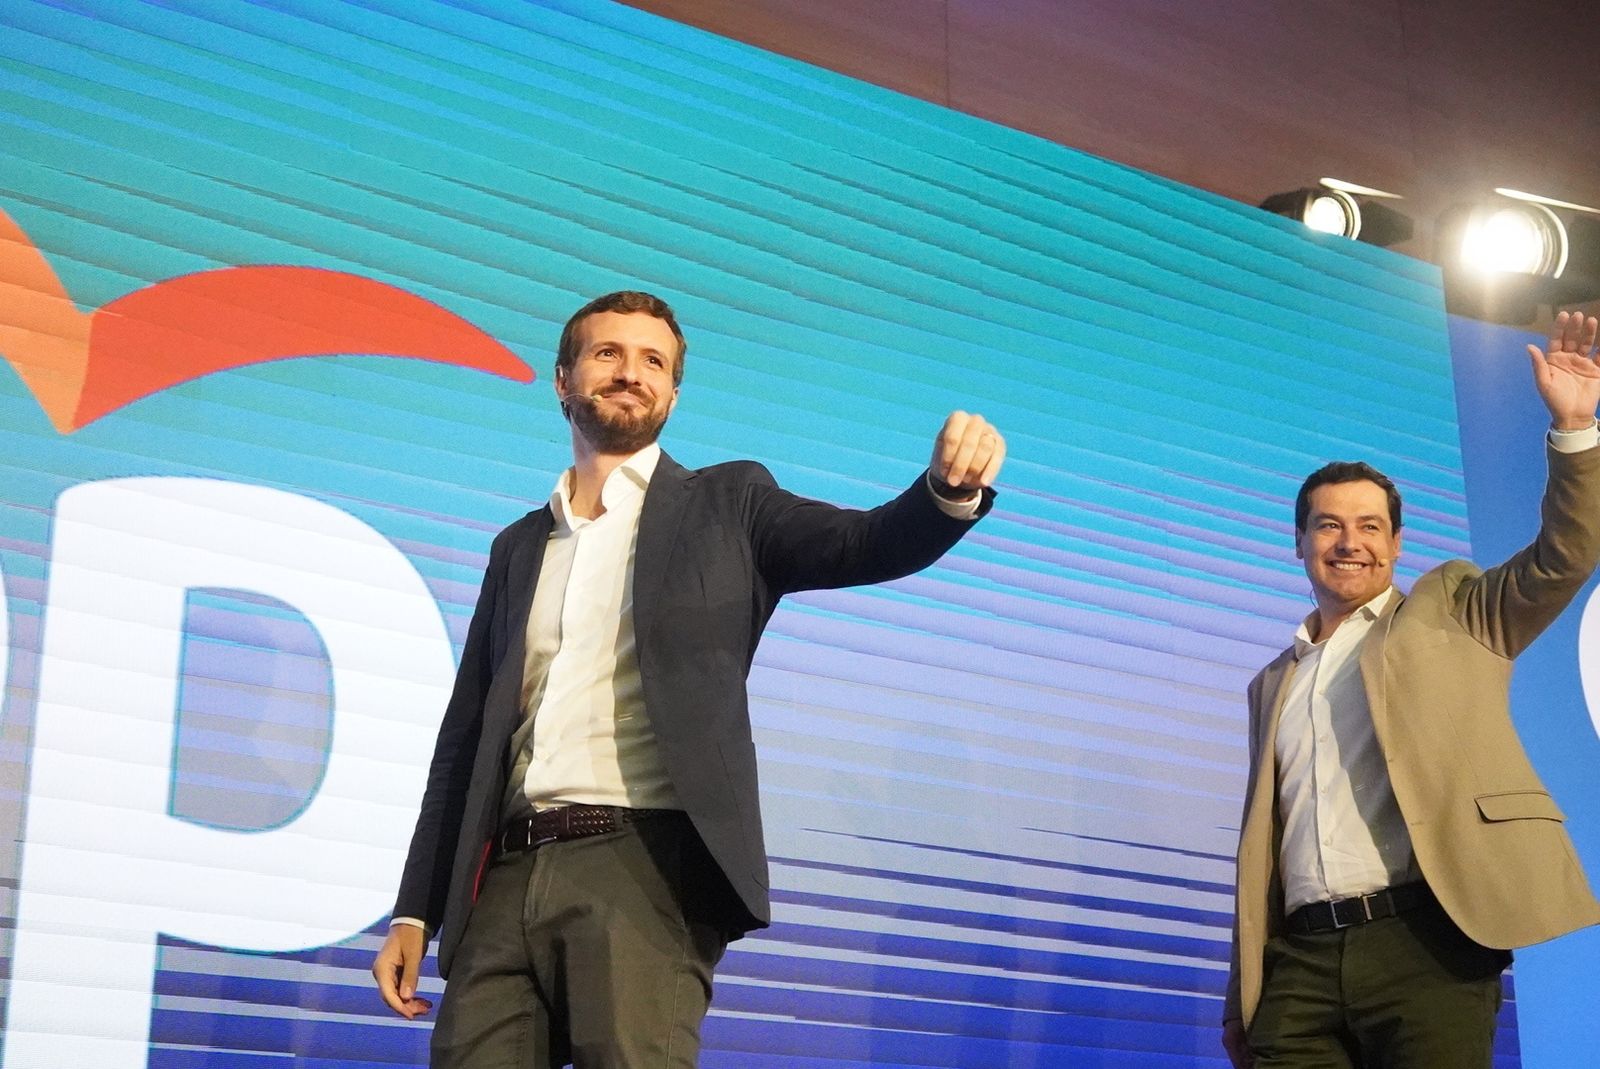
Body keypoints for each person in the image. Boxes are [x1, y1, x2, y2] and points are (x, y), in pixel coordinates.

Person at [371, 290, 1005, 1067]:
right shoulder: (517, 547)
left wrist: (945, 493)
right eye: (608, 354)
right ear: (563, 380)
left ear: (672, 392)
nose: (630, 373)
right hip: (505, 876)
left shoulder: (728, 505)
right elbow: (465, 738)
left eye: (653, 361)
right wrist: (414, 911)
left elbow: (861, 542)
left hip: (643, 867)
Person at [1222, 310, 1600, 1068]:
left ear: (1397, 543)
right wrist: (1245, 985)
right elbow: (1265, 847)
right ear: (1299, 542)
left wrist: (1574, 432)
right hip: (1300, 960)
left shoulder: (1456, 610)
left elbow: (1564, 557)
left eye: (1368, 525)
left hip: (1427, 944)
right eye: (1327, 526)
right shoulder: (1273, 681)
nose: (1348, 541)